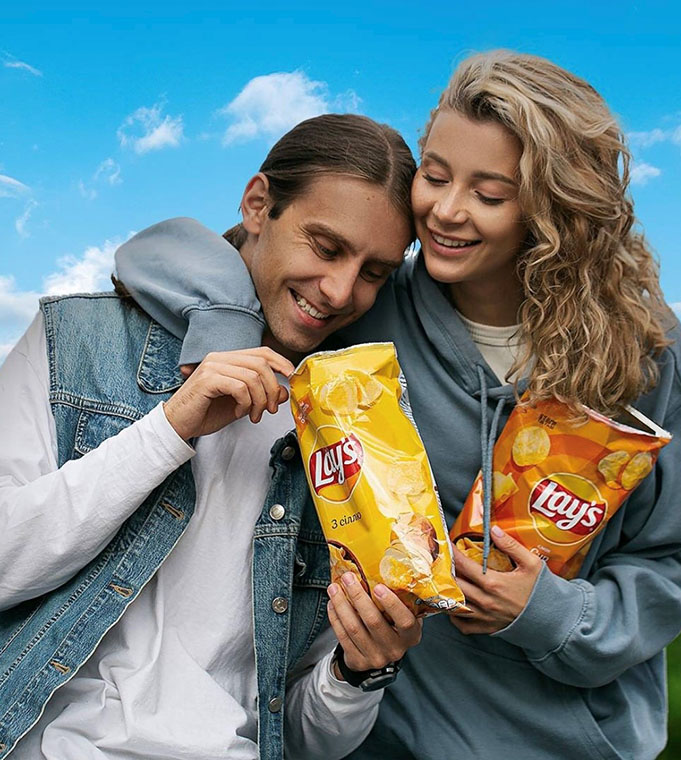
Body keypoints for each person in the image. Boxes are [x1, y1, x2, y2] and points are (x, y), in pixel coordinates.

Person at [114, 52, 681, 759]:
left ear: (554, 208)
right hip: (380, 736)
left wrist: (553, 615)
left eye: (489, 194)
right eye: (434, 176)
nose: (445, 210)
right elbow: (168, 250)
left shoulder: (643, 349)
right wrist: (226, 322)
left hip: (568, 741)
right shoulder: (369, 304)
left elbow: (678, 554)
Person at [0, 114, 423, 760]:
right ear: (258, 205)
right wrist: (171, 430)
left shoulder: (345, 441)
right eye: (326, 246)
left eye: (374, 272)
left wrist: (357, 675)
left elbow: (298, 734)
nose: (340, 290)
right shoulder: (75, 343)